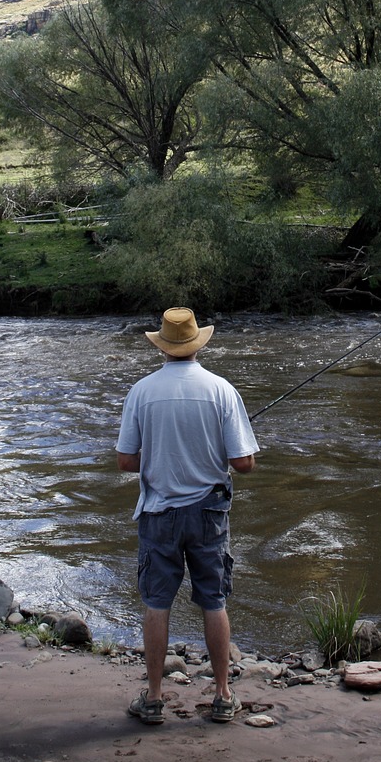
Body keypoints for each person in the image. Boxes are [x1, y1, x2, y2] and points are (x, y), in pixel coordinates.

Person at [116, 306, 259, 725]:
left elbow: (126, 461)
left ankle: (155, 697)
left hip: (158, 513)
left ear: (162, 345)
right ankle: (221, 695)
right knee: (213, 601)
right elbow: (244, 463)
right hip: (210, 513)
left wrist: (158, 458)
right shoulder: (221, 390)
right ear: (198, 343)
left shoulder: (142, 391)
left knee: (157, 603)